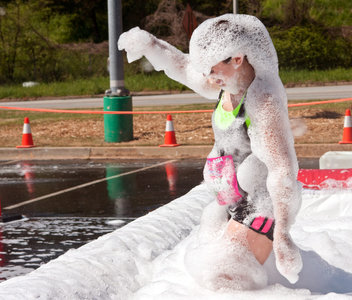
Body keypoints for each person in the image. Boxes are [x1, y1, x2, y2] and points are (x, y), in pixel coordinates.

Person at [118, 13, 302, 287]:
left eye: (213, 69)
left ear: (237, 59)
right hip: (231, 200)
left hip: (261, 208)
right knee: (211, 276)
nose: (208, 76)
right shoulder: (226, 83)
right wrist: (150, 45)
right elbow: (182, 66)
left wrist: (284, 236)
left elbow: (282, 170)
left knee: (224, 281)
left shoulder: (263, 101)